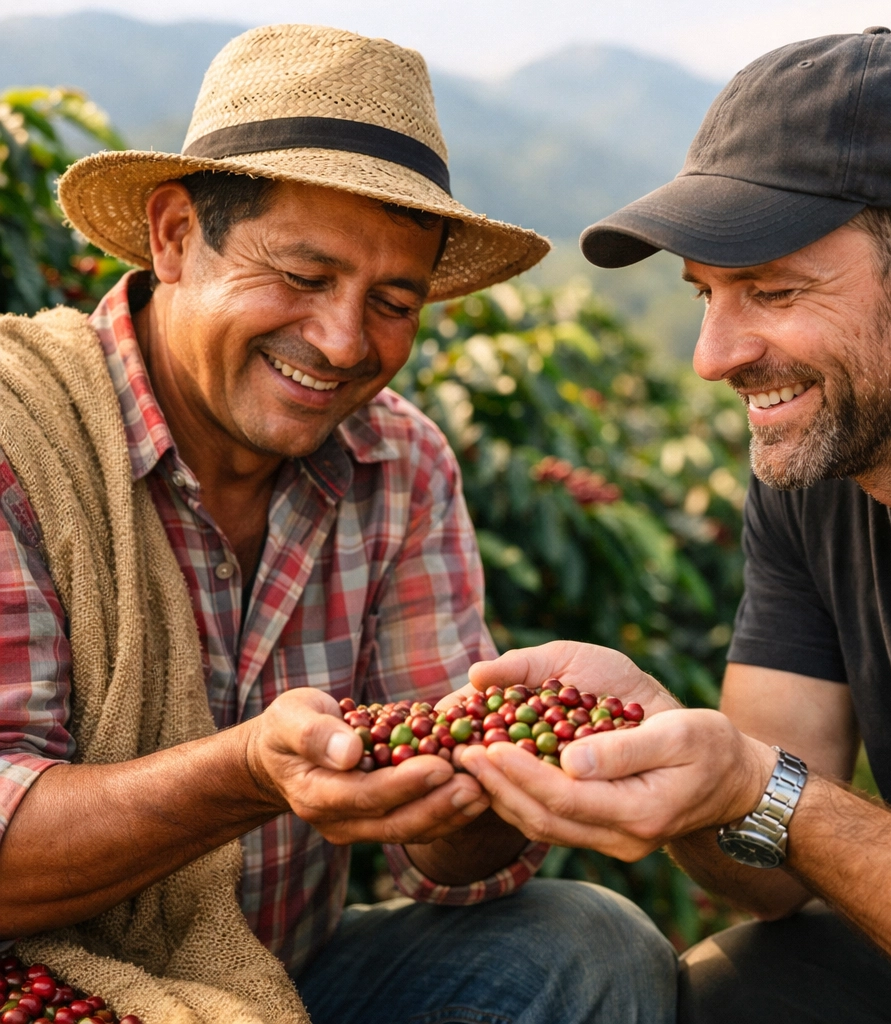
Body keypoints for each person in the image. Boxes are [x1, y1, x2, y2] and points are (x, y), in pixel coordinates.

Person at [0, 23, 678, 1024]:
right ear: (175, 235)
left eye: (393, 300)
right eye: (304, 277)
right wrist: (245, 773)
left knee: (590, 947)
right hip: (47, 974)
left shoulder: (397, 465)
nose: (343, 341)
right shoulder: (25, 437)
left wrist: (490, 778)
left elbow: (449, 872)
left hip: (278, 975)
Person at [459, 27, 891, 1024]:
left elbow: (784, 798)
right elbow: (768, 866)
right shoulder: (819, 472)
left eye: (772, 291)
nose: (712, 358)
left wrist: (772, 791)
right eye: (706, 296)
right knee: (731, 992)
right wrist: (669, 744)